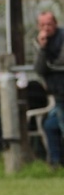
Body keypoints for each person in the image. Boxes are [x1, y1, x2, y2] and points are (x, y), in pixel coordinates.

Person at [33, 11, 64, 150]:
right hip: (57, 94)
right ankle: (55, 164)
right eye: (42, 24)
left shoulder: (62, 37)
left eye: (49, 24)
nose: (46, 28)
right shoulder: (40, 42)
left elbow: (60, 63)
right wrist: (42, 48)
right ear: (38, 26)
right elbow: (40, 69)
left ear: (55, 24)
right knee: (50, 126)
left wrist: (48, 64)